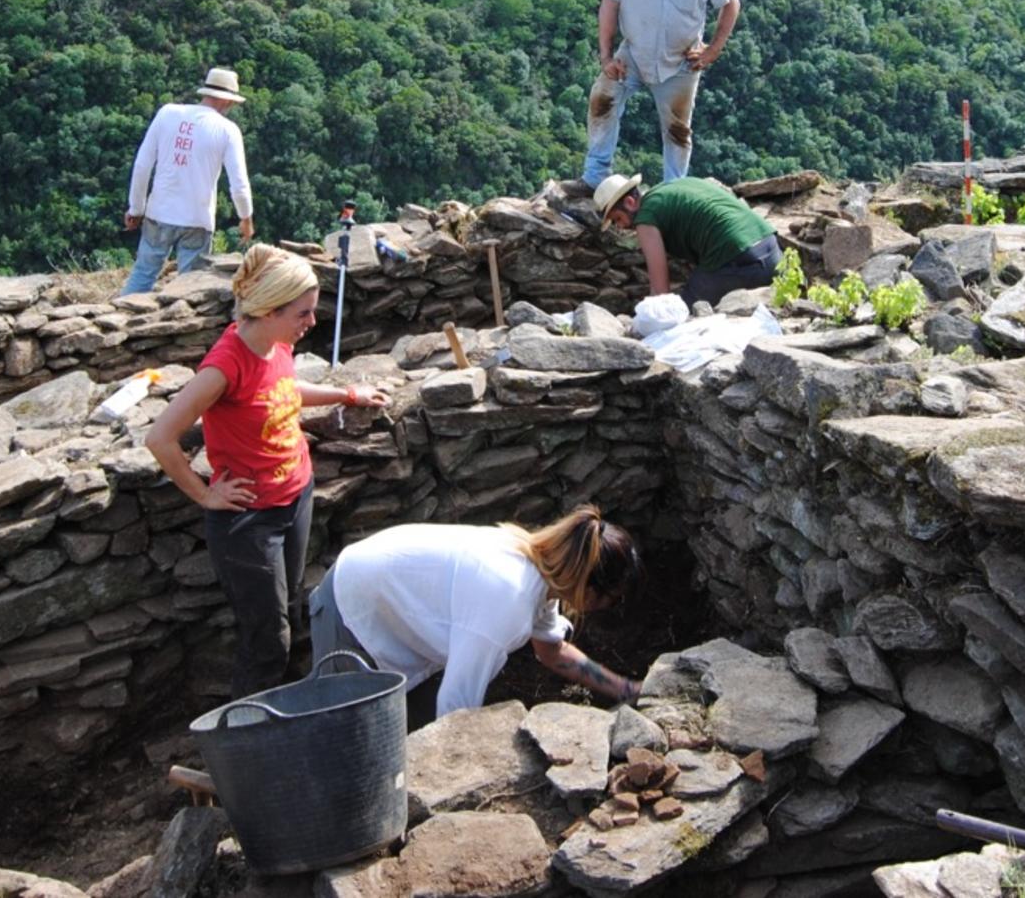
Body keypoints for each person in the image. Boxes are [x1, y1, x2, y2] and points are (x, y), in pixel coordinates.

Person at [145, 244, 389, 696]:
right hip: (248, 519)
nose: (311, 323)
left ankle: (279, 711)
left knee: (290, 606)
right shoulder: (223, 366)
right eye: (303, 313)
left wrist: (345, 395)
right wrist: (205, 495)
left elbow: (284, 387)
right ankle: (247, 738)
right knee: (267, 640)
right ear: (269, 310)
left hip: (295, 495)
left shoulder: (274, 344)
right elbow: (160, 437)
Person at [308, 504, 644, 724]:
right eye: (611, 600)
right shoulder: (508, 601)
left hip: (394, 612)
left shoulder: (542, 574)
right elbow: (456, 707)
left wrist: (625, 689)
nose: (609, 608)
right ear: (586, 586)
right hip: (352, 613)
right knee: (348, 737)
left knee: (406, 729)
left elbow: (552, 652)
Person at [582, 0, 740, 188]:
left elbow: (730, 4)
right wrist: (606, 57)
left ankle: (673, 190)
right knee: (602, 101)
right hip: (632, 53)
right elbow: (610, 4)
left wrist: (713, 49)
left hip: (682, 61)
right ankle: (595, 176)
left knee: (678, 130)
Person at [122, 66, 254, 296]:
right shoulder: (227, 130)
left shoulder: (167, 113)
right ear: (228, 101)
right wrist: (246, 218)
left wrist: (136, 208)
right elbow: (239, 184)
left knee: (143, 274)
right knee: (189, 287)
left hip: (158, 212)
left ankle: (121, 320)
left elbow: (143, 164)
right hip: (197, 219)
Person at [593, 173, 783, 309]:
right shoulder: (676, 186)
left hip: (739, 261)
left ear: (630, 203)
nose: (620, 227)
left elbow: (661, 293)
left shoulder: (646, 218)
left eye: (617, 219)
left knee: (686, 313)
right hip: (773, 252)